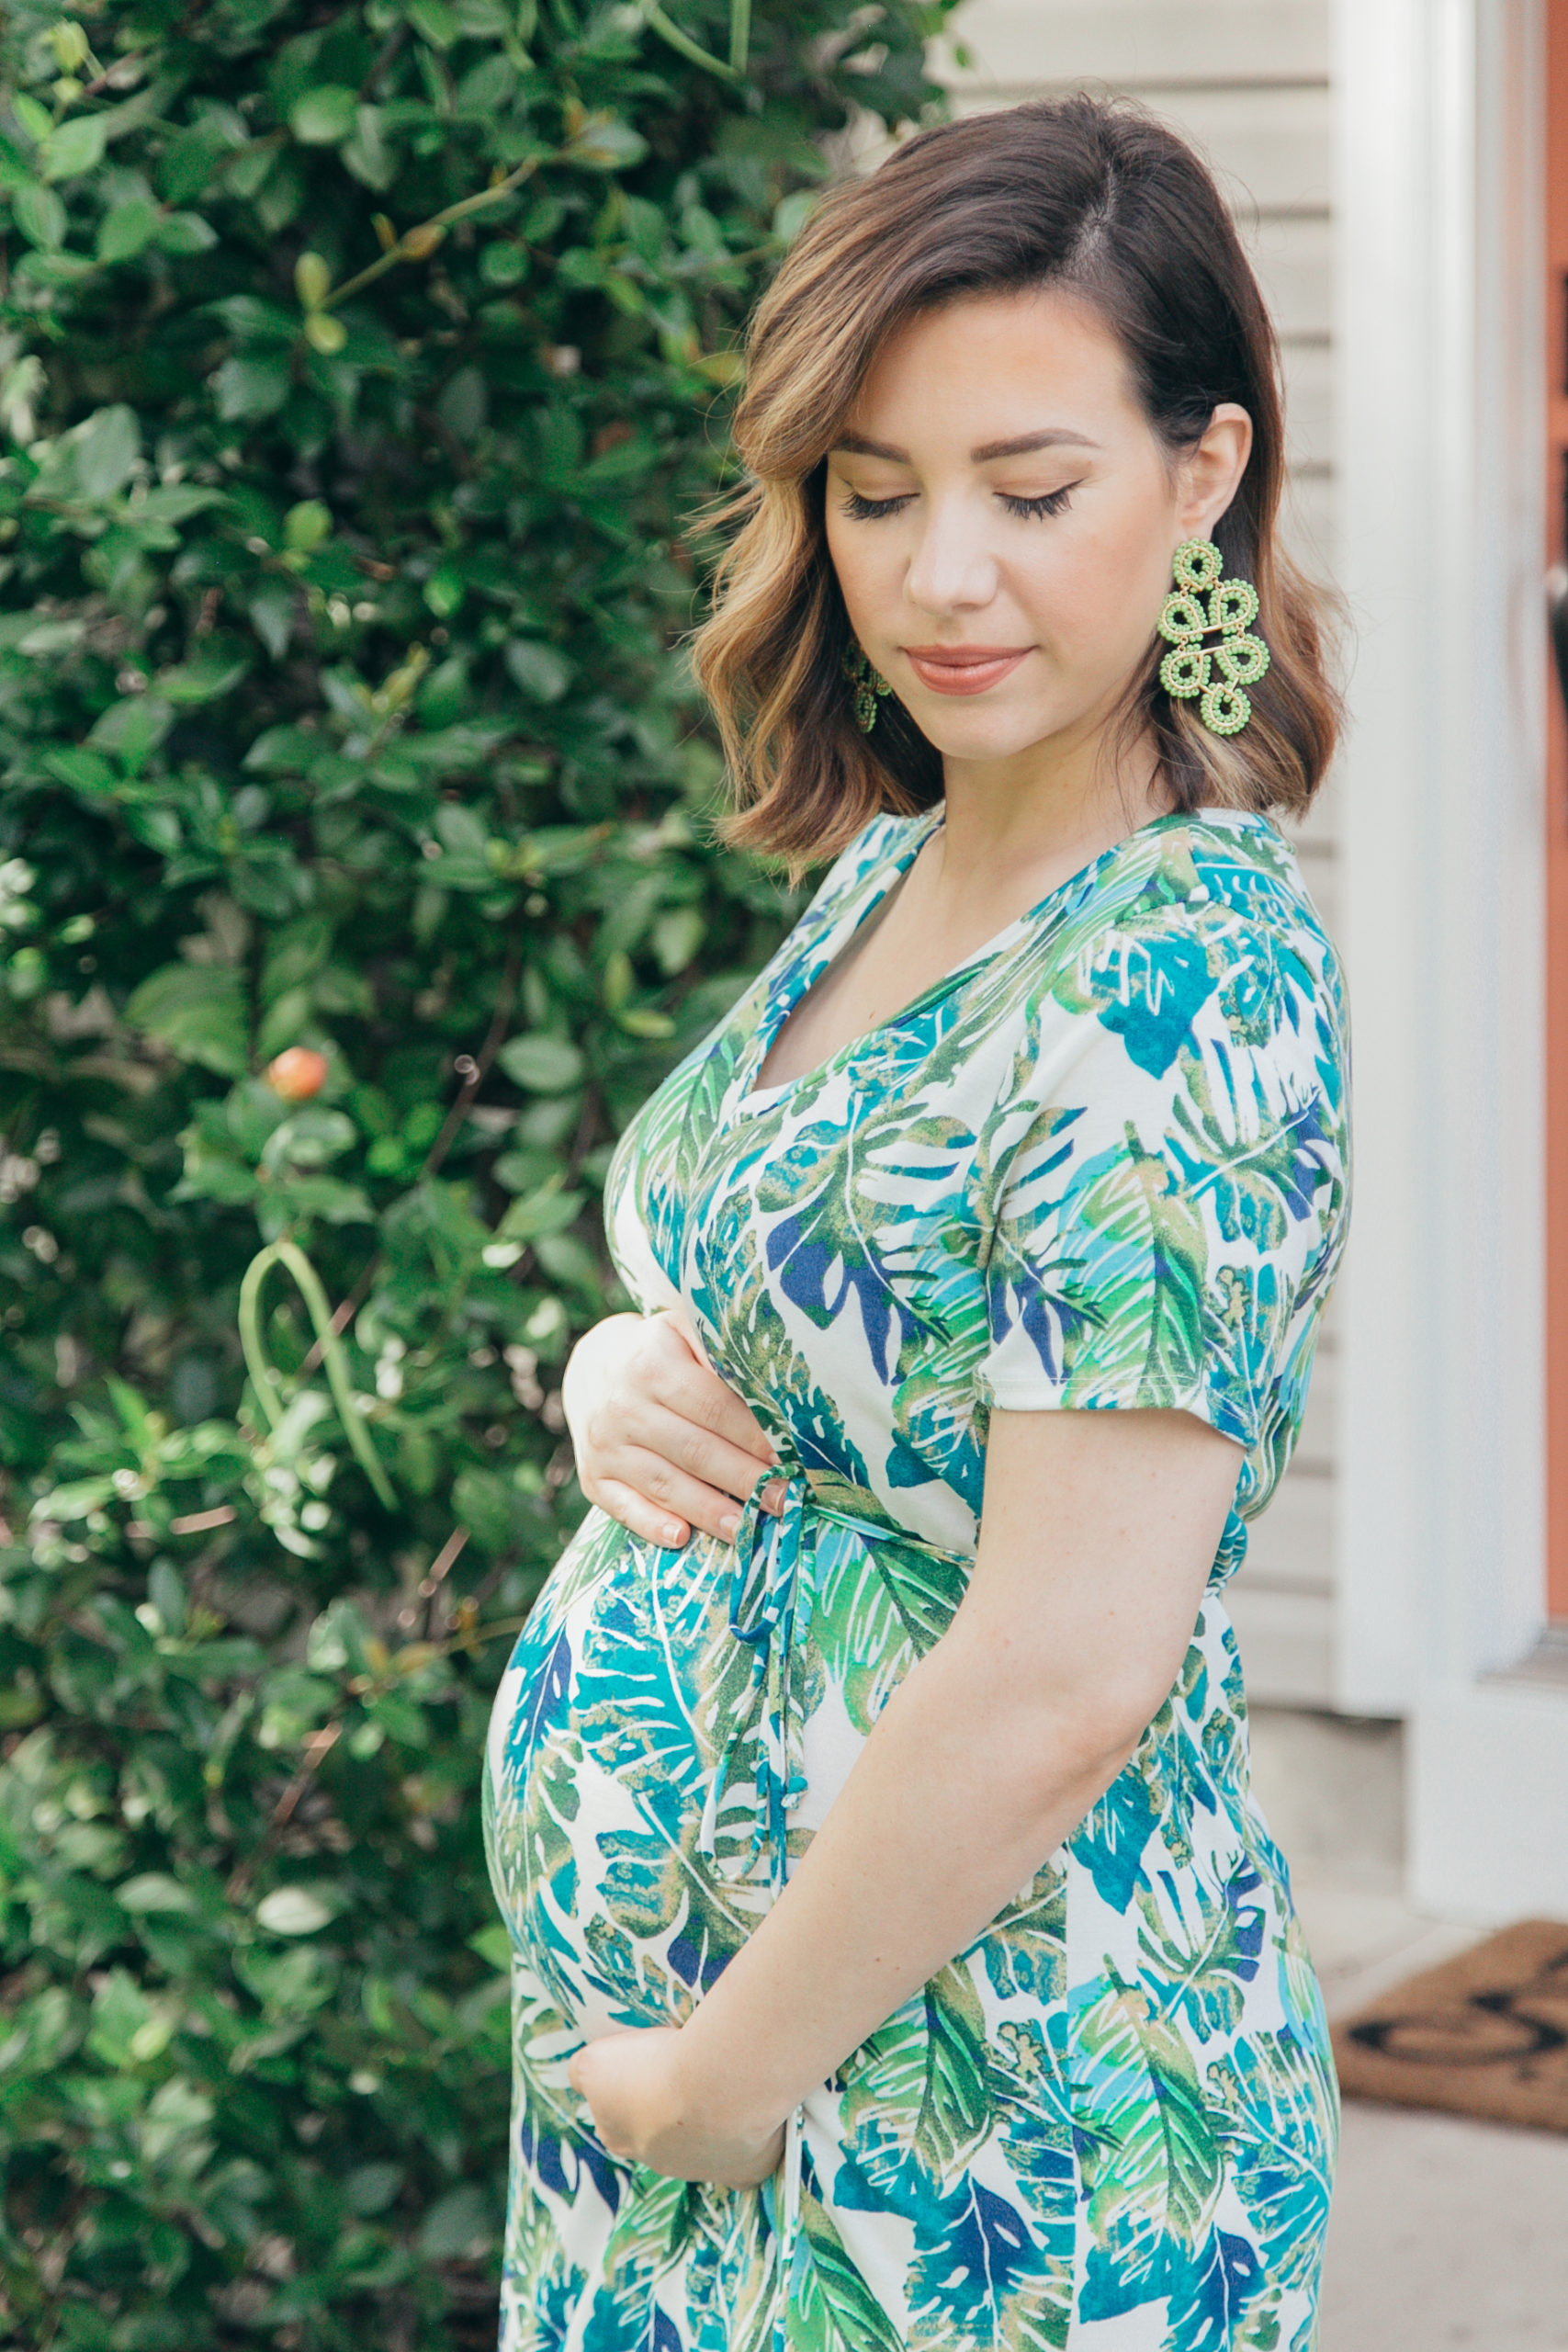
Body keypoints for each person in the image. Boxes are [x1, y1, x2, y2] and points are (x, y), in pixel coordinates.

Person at [484, 95, 1349, 2352]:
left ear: (1202, 470)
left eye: (1027, 491)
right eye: (873, 494)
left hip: (967, 2133)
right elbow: (782, 1261)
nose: (939, 574)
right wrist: (619, 1363)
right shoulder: (901, 855)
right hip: (723, 2097)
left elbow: (1068, 1662)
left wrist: (716, 2079)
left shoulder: (1178, 978)